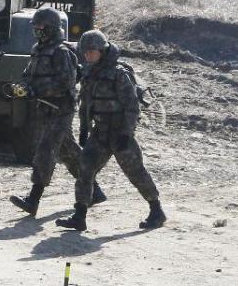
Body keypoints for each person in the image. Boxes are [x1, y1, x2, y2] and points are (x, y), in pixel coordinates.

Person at [56, 30, 166, 232]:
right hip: (100, 132)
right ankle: (79, 215)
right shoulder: (90, 73)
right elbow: (86, 103)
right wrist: (83, 129)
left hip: (119, 131)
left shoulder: (118, 74)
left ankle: (156, 210)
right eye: (86, 52)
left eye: (92, 51)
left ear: (102, 50)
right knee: (85, 168)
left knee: (135, 171)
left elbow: (132, 106)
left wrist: (127, 133)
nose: (88, 55)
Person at [8, 8, 106, 216]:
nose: (36, 31)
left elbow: (66, 82)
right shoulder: (38, 49)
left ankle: (33, 200)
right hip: (44, 108)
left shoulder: (61, 52)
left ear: (51, 29)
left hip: (61, 109)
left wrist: (37, 89)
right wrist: (21, 87)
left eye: (40, 27)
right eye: (35, 27)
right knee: (69, 152)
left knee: (46, 151)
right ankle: (94, 191)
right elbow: (28, 74)